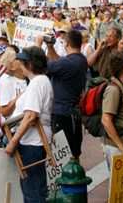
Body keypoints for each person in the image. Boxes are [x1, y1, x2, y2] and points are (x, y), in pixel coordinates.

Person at [4, 47, 53, 203]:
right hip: (33, 141)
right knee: (33, 189)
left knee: (33, 192)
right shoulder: (39, 81)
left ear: (30, 65)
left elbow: (31, 115)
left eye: (22, 62)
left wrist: (13, 142)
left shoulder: (37, 83)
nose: (20, 65)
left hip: (32, 142)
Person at [43, 29, 87, 159]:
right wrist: (50, 46)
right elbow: (57, 61)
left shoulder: (68, 63)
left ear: (67, 43)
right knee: (72, 150)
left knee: (64, 152)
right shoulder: (79, 60)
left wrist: (37, 43)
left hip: (63, 113)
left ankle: (68, 177)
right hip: (70, 112)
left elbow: (44, 66)